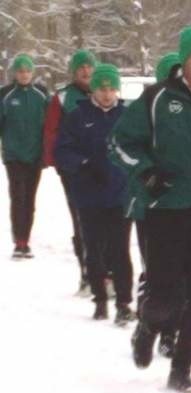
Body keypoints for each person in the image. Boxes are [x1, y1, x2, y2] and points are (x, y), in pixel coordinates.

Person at [109, 26, 191, 392]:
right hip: (165, 209)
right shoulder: (157, 97)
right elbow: (120, 142)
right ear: (183, 57)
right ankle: (148, 326)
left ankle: (182, 368)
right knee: (166, 295)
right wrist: (146, 174)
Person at [54, 64, 134, 325]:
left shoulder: (127, 115)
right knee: (94, 248)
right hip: (89, 195)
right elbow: (62, 151)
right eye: (103, 89)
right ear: (94, 90)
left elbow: (139, 147)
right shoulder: (78, 116)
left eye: (112, 89)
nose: (108, 94)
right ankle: (100, 298)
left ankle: (123, 301)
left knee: (120, 250)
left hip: (120, 194)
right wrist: (84, 164)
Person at [130, 51, 182, 359]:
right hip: (151, 207)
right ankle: (147, 320)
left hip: (188, 208)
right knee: (157, 272)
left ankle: (171, 333)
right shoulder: (146, 109)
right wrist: (149, 175)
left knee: (185, 277)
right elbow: (127, 149)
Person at [43, 49, 97, 294]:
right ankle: (86, 271)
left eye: (89, 67)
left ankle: (104, 271)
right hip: (74, 169)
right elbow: (51, 131)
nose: (86, 71)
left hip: (102, 168)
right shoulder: (63, 97)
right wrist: (57, 161)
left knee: (106, 220)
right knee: (81, 218)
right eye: (81, 67)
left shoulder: (104, 91)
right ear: (74, 72)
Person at [0, 54, 49, 258]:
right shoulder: (6, 94)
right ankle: (19, 241)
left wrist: (47, 152)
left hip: (35, 155)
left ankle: (25, 239)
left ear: (33, 73)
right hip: (14, 155)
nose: (24, 75)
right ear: (15, 73)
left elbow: (49, 126)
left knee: (29, 199)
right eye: (20, 71)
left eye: (28, 71)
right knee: (17, 197)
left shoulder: (42, 94)